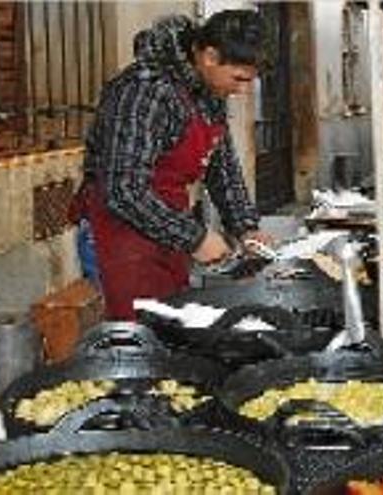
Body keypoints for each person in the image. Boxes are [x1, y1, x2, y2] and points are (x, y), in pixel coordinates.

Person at [75, 11, 271, 321]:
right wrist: (194, 238)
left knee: (171, 327)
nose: (243, 90)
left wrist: (245, 227)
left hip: (166, 229)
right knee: (137, 337)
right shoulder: (145, 91)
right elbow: (123, 190)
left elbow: (223, 169)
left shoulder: (208, 94)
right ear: (209, 56)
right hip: (119, 232)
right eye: (239, 78)